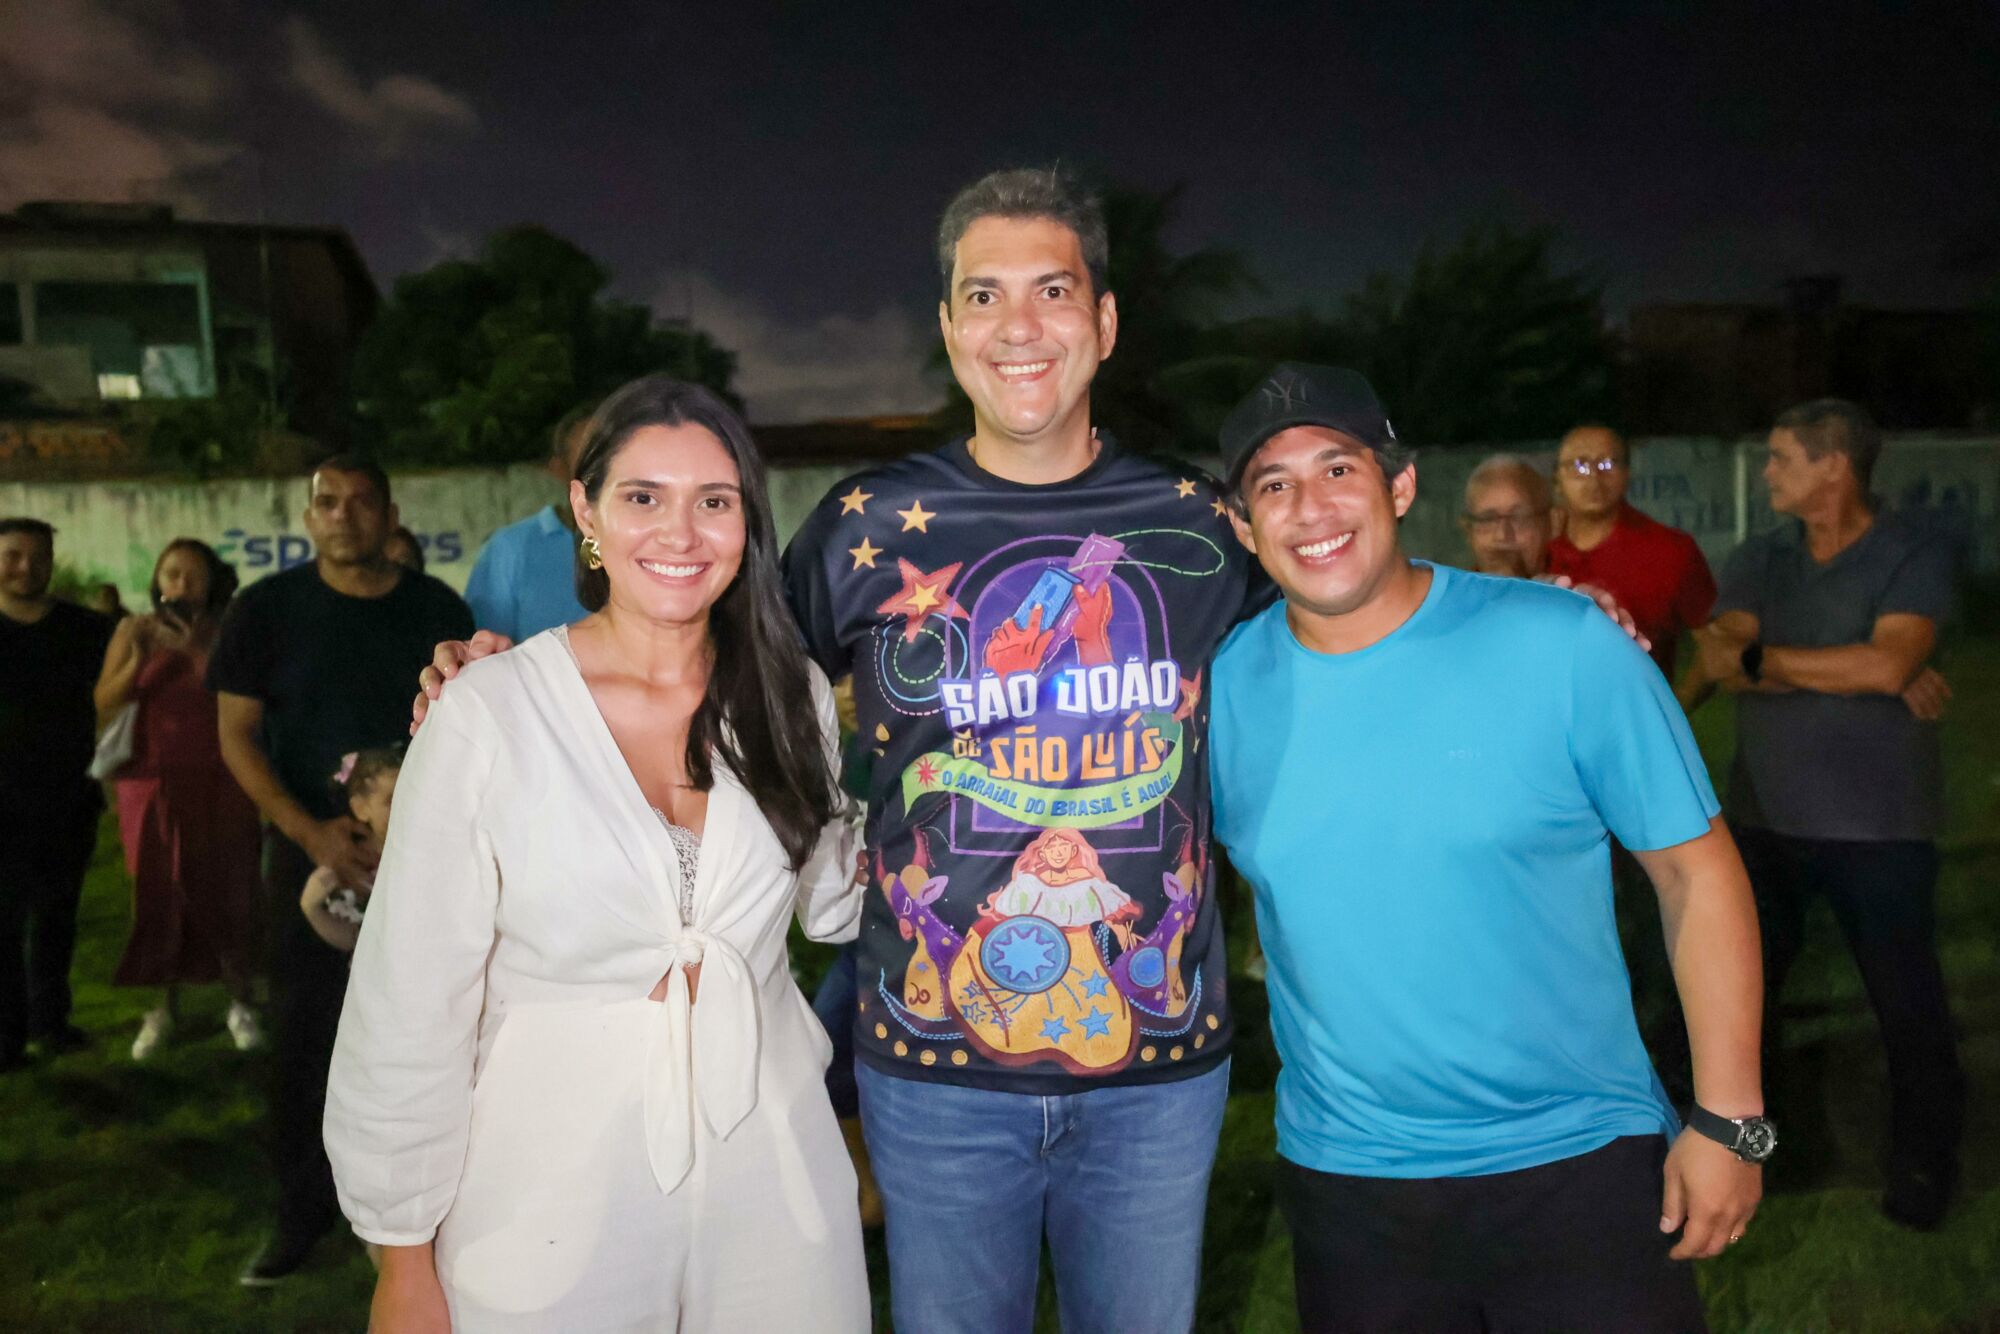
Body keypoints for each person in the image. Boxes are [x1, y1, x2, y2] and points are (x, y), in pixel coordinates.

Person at [418, 168, 1254, 1334]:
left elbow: (1350, 633)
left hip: (1155, 1069)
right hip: (931, 1068)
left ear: (1103, 323)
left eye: (1052, 290)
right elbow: (706, 664)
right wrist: (514, 686)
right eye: (982, 295)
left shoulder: (1202, 524)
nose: (1018, 326)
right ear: (948, 329)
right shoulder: (865, 525)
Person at [1210, 364, 1769, 1333]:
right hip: (1350, 1185)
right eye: (1272, 484)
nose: (1310, 508)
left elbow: (1695, 872)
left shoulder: (1561, 643)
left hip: (1576, 1164)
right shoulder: (1216, 689)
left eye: (1338, 468)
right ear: (1240, 524)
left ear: (1399, 485)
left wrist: (1729, 1119)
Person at [328, 375, 869, 1332]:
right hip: (548, 1185)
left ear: (748, 520)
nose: (681, 532)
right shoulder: (491, 713)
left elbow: (834, 902)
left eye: (715, 500)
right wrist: (401, 1255)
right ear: (585, 510)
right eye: (642, 497)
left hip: (770, 1168)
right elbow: (409, 997)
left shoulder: (791, 698)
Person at [1681, 398, 1962, 1230]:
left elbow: (1888, 660)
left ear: (1833, 464)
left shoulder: (1913, 549)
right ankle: (1767, 1157)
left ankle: (1923, 1168)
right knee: (1746, 1011)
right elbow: (1723, 660)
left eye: (1780, 458)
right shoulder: (1761, 555)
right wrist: (1857, 666)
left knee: (1906, 1009)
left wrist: (1782, 660)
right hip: (1764, 823)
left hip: (1882, 829)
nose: (1766, 471)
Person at [207, 456, 474, 1284]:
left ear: (391, 512)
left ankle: (424, 1222)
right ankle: (300, 1214)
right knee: (306, 1037)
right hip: (310, 860)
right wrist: (313, 835)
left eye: (363, 501)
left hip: (426, 866)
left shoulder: (437, 609)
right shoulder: (266, 611)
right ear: (308, 516)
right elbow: (237, 737)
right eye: (329, 501)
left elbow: (468, 733)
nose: (346, 515)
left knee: (434, 1035)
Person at [95, 539, 264, 1060]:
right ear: (157, 581)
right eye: (172, 574)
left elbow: (245, 699)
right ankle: (161, 1007)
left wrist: (195, 650)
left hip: (221, 775)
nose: (181, 585)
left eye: (193, 575)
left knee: (227, 884)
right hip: (150, 779)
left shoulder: (229, 631)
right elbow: (104, 700)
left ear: (212, 581)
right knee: (158, 889)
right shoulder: (132, 630)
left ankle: (241, 999)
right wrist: (140, 657)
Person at [0, 517, 114, 1072]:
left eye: (37, 556)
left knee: (57, 916)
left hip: (67, 798)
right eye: (13, 555)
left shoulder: (86, 631)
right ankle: (7, 1037)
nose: (26, 567)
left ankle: (51, 1022)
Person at [1548, 425, 1717, 676]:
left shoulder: (1670, 551)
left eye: (1607, 464)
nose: (1594, 478)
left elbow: (1716, 647)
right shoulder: (1536, 550)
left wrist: (1669, 709)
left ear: (1628, 473)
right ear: (1557, 480)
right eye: (1580, 465)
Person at [461, 406, 592, 639]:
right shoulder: (508, 549)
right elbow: (486, 652)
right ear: (559, 469)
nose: (602, 470)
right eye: (588, 458)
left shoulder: (650, 543)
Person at [298, 746, 403, 954]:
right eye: (391, 800)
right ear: (361, 809)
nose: (404, 805)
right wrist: (312, 907)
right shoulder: (355, 867)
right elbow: (353, 939)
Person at [1460, 452, 1555, 577]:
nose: (1502, 535)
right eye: (1488, 519)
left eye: (1518, 518)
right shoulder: (1450, 594)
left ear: (1549, 524)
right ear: (1468, 531)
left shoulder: (1577, 594)